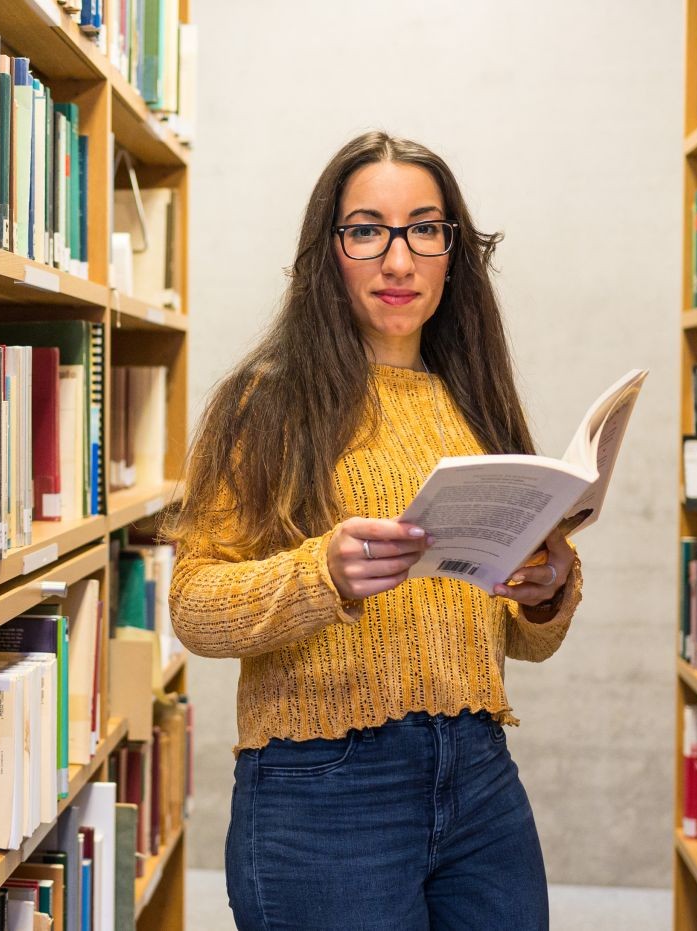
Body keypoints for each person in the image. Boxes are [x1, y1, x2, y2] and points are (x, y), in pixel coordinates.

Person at [165, 131, 581, 930]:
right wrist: (321, 573)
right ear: (329, 251)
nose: (399, 261)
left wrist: (546, 590)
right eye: (368, 230)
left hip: (479, 773)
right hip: (324, 788)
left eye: (425, 229)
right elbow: (193, 605)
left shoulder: (476, 401)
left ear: (453, 252)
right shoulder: (265, 404)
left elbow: (524, 641)